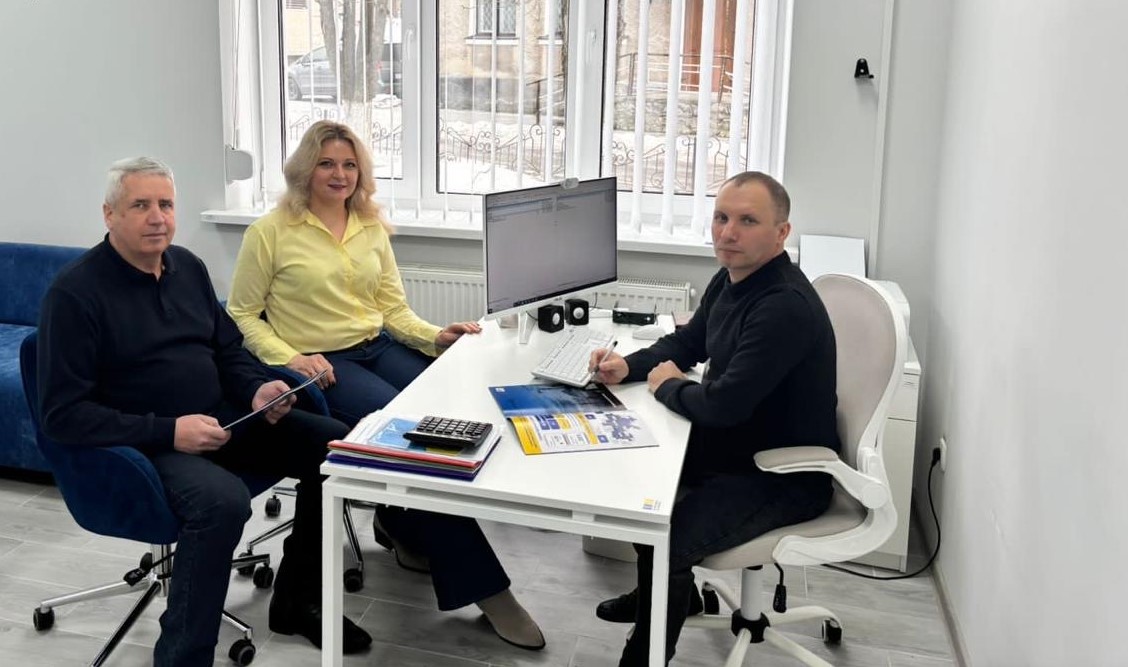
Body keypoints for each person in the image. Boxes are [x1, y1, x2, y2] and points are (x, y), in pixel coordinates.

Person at [37, 157, 373, 665]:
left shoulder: (187, 267)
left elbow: (228, 350)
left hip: (220, 420)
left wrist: (257, 389)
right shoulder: (75, 294)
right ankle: (183, 656)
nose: (158, 217)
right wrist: (170, 432)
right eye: (140, 205)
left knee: (331, 449)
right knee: (222, 502)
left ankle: (299, 601)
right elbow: (63, 415)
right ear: (109, 214)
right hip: (145, 446)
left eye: (166, 204)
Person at [226, 120, 545, 650]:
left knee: (457, 418)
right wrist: (292, 358)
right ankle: (488, 590)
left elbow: (393, 310)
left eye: (349, 165)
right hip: (324, 363)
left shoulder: (369, 225)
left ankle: (403, 526)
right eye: (327, 163)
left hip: (377, 346)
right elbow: (241, 314)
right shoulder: (270, 232)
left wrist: (435, 337)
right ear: (305, 169)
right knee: (416, 445)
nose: (340, 174)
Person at [587, 172, 840, 666]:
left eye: (747, 221)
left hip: (780, 474)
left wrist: (667, 386)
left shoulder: (782, 307)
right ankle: (664, 597)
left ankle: (645, 653)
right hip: (736, 445)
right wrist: (628, 366)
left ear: (781, 233)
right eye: (721, 217)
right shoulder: (732, 276)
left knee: (669, 537)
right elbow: (687, 343)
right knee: (640, 484)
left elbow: (723, 405)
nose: (728, 232)